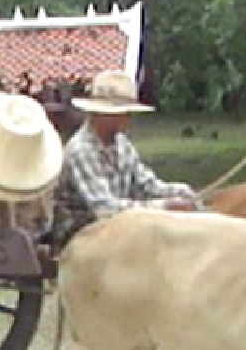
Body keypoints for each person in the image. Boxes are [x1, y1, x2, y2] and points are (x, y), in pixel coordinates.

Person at [50, 69, 199, 250]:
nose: (128, 117)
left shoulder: (122, 144)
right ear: (102, 115)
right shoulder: (81, 150)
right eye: (123, 112)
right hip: (81, 233)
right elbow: (104, 209)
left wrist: (180, 191)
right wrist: (165, 206)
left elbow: (146, 184)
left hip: (117, 227)